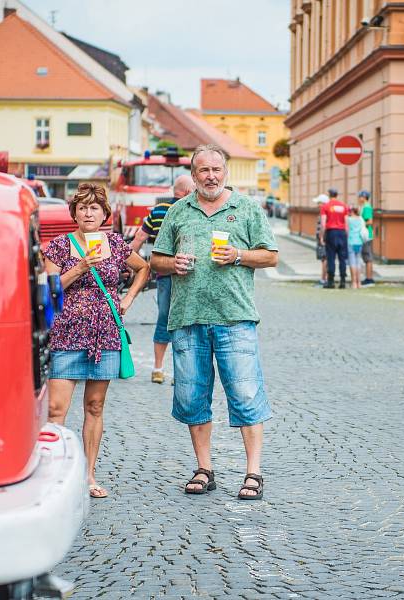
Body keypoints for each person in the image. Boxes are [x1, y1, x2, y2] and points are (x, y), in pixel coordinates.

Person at [151, 144, 278, 501]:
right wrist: (171, 263)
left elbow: (270, 256)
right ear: (193, 176)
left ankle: (254, 472)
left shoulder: (247, 208)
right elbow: (156, 260)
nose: (211, 176)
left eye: (217, 170)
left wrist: (238, 255)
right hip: (188, 317)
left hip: (235, 317)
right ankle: (204, 468)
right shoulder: (178, 212)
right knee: (192, 396)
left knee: (246, 393)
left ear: (226, 173)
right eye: (203, 170)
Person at [44, 182, 149, 499]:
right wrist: (79, 268)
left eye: (94, 207)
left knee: (94, 406)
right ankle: (55, 474)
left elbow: (143, 268)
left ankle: (88, 475)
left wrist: (127, 299)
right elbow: (49, 289)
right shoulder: (59, 247)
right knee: (55, 408)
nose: (88, 212)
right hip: (66, 333)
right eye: (82, 207)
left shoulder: (115, 244)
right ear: (74, 212)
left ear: (105, 213)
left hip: (104, 334)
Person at [131, 174, 196, 384]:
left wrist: (128, 265)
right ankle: (180, 372)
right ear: (187, 191)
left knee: (164, 319)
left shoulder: (158, 210)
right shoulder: (191, 209)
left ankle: (157, 369)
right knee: (186, 322)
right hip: (188, 274)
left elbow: (140, 237)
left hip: (163, 274)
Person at [320, 188, 349, 289]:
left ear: (329, 195)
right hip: (342, 233)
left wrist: (322, 236)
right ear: (337, 195)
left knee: (331, 257)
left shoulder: (325, 206)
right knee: (342, 258)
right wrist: (347, 235)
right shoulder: (344, 206)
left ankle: (331, 282)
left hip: (331, 232)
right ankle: (343, 281)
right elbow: (346, 223)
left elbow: (323, 223)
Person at [358, 190, 376, 286]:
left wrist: (359, 224)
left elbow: (370, 221)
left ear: (364, 197)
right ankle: (368, 277)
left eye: (360, 196)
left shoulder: (367, 207)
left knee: (367, 257)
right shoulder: (364, 207)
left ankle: (369, 279)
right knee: (366, 257)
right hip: (365, 234)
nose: (358, 198)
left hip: (366, 235)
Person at [346, 206, 365, 289]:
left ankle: (354, 283)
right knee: (358, 262)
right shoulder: (361, 219)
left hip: (351, 242)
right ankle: (359, 283)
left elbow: (346, 230)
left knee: (352, 263)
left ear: (351, 211)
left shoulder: (348, 219)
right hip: (359, 242)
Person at [313, 194, 329, 286]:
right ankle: (323, 278)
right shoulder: (323, 212)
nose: (317, 205)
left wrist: (322, 237)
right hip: (322, 238)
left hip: (323, 238)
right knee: (323, 259)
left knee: (324, 258)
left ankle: (324, 279)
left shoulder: (324, 213)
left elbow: (323, 226)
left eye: (318, 203)